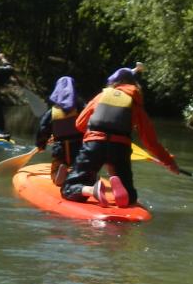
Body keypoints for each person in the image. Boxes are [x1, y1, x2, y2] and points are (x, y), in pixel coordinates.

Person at [60, 66, 179, 207]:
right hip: (120, 149)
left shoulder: (100, 96)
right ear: (134, 85)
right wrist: (169, 162)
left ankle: (92, 190)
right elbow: (151, 142)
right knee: (130, 197)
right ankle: (124, 194)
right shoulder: (135, 104)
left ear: (113, 83)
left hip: (93, 146)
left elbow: (79, 124)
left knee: (68, 189)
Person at [34, 75, 84, 186]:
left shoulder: (52, 112)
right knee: (81, 166)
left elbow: (43, 128)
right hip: (79, 148)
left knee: (56, 167)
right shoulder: (81, 107)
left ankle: (58, 173)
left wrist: (41, 145)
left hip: (60, 149)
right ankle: (81, 175)